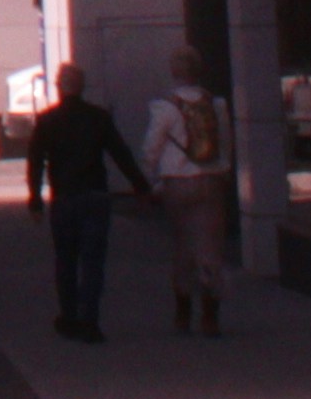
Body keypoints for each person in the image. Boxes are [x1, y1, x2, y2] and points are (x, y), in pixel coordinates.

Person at [21, 60, 148, 343]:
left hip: (64, 198)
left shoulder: (47, 121)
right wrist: (141, 186)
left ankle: (68, 317)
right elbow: (121, 154)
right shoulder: (98, 118)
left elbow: (35, 163)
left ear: (58, 88)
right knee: (92, 261)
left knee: (66, 259)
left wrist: (35, 200)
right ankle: (90, 320)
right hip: (95, 196)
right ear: (83, 87)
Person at [143, 47, 239, 337]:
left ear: (174, 72)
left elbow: (151, 149)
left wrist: (153, 179)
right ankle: (210, 316)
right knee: (210, 248)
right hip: (210, 182)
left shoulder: (165, 107)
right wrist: (223, 173)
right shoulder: (216, 105)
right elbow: (226, 145)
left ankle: (183, 312)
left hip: (176, 183)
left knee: (182, 246)